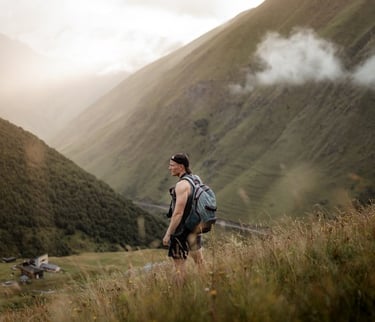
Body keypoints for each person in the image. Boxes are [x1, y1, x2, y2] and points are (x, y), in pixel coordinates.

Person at [162, 153, 204, 282]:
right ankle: (207, 283)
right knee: (200, 261)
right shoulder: (196, 179)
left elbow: (178, 213)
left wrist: (168, 234)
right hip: (194, 226)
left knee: (179, 268)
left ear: (180, 167)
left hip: (181, 230)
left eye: (172, 165)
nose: (169, 168)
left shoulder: (181, 185)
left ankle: (179, 296)